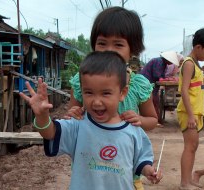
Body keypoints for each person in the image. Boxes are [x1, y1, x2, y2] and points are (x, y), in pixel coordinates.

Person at [19, 51, 163, 190]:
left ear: (122, 93)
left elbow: (141, 161)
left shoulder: (133, 130)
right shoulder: (77, 126)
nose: (97, 102)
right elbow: (49, 133)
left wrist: (148, 170)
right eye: (89, 92)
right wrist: (42, 116)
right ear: (81, 91)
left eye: (106, 93)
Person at [66, 7, 158, 189]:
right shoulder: (82, 80)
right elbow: (72, 116)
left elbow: (153, 120)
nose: (109, 50)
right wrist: (74, 113)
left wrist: (139, 119)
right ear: (94, 44)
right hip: (91, 168)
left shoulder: (138, 85)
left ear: (133, 49)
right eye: (102, 43)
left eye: (118, 45)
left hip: (125, 169)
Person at [176, 28, 204, 190]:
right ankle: (184, 183)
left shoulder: (195, 64)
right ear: (198, 47)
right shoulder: (188, 64)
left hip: (195, 111)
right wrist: (192, 116)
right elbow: (184, 91)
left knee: (193, 146)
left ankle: (188, 180)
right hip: (189, 112)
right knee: (190, 146)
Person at [140, 51, 179, 119]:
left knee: (155, 101)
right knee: (153, 101)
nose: (172, 63)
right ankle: (154, 119)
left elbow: (161, 75)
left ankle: (156, 119)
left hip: (151, 84)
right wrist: (166, 79)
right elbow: (157, 75)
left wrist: (166, 78)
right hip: (147, 83)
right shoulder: (159, 61)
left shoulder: (163, 63)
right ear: (168, 59)